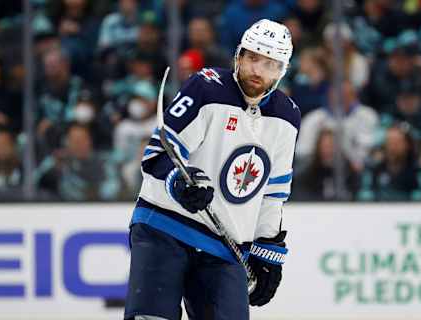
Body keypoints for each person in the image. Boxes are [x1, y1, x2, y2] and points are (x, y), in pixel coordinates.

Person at [124, 19, 300, 320]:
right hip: (165, 228)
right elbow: (157, 155)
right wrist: (179, 183)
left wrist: (267, 253)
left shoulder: (287, 117)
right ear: (239, 56)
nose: (257, 70)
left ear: (282, 71)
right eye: (252, 58)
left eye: (270, 64)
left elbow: (272, 194)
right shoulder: (206, 87)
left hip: (224, 248)